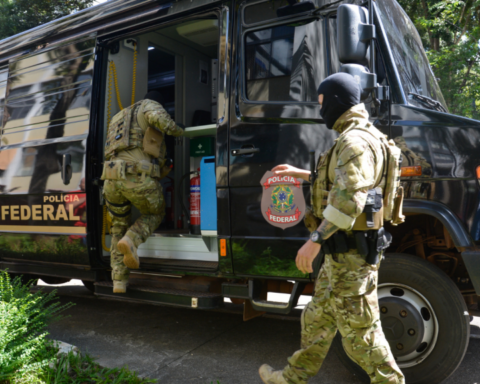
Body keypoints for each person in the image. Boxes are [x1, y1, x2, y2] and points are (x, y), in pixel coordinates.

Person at [259, 73, 405, 384]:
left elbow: (348, 202)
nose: (320, 109)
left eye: (323, 102)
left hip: (351, 257)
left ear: (338, 101)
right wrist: (301, 173)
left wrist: (313, 241)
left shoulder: (355, 141)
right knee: (317, 319)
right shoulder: (355, 136)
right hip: (340, 255)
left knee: (361, 337)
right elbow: (339, 184)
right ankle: (292, 378)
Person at [101, 91, 183, 293]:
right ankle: (132, 240)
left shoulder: (118, 117)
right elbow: (161, 120)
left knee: (118, 224)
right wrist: (179, 131)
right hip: (135, 177)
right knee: (155, 213)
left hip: (111, 179)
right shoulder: (149, 105)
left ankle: (119, 281)